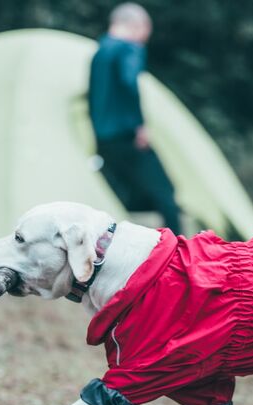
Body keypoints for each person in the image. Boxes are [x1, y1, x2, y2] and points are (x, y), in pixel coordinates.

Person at [88, 2, 182, 234]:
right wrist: (139, 126)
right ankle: (178, 251)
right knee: (166, 193)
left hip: (104, 139)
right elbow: (130, 83)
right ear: (137, 25)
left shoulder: (100, 52)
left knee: (121, 196)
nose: (144, 39)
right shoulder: (129, 48)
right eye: (145, 32)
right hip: (126, 135)